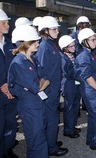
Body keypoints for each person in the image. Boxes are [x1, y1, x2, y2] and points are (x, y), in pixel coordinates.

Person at [8, 25, 49, 158]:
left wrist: (42, 81)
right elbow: (37, 86)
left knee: (40, 135)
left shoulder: (33, 58)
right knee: (36, 140)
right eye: (34, 41)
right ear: (25, 43)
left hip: (37, 103)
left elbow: (45, 76)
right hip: (29, 106)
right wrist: (42, 82)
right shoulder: (19, 63)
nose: (38, 43)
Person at [36, 16, 68, 156]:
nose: (57, 31)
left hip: (54, 88)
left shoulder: (51, 44)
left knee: (53, 118)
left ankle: (51, 142)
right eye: (54, 29)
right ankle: (51, 148)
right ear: (45, 31)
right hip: (49, 90)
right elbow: (42, 70)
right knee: (51, 119)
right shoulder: (44, 46)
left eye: (57, 28)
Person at [74, 28, 96, 154]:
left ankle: (92, 139)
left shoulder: (92, 54)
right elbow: (88, 77)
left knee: (94, 115)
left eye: (95, 39)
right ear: (84, 42)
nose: (95, 41)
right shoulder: (83, 56)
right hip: (90, 91)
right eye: (92, 40)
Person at [0, 9, 18, 158]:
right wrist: (2, 86)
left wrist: (9, 84)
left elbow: (16, 68)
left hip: (11, 92)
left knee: (11, 123)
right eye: (4, 23)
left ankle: (8, 149)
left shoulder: (11, 45)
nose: (8, 25)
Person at [58, 35, 81, 139]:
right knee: (70, 107)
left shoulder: (72, 55)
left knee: (75, 106)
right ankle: (68, 130)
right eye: (71, 46)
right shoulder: (63, 58)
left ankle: (72, 126)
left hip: (75, 84)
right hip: (68, 84)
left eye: (74, 45)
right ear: (65, 48)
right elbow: (69, 73)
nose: (73, 47)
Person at [70, 16, 91, 111]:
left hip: (85, 65)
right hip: (76, 67)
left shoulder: (89, 36)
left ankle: (86, 105)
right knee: (77, 89)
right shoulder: (72, 37)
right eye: (83, 25)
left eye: (86, 25)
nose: (85, 26)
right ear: (78, 26)